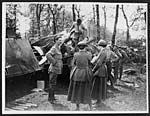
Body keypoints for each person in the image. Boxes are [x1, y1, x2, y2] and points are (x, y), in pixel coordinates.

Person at [67, 41, 93, 110]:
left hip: (77, 73)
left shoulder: (75, 55)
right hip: (85, 73)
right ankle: (90, 106)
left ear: (78, 47)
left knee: (77, 90)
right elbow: (91, 62)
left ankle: (77, 107)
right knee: (87, 89)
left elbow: (73, 64)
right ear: (85, 47)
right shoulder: (89, 54)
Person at [46, 36, 63, 104]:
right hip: (53, 68)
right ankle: (50, 99)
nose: (60, 42)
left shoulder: (58, 47)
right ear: (55, 41)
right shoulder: (54, 48)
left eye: (61, 40)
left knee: (53, 83)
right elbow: (48, 55)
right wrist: (54, 62)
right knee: (52, 83)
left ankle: (52, 97)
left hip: (56, 69)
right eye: (59, 40)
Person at [91, 39, 108, 107]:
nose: (97, 47)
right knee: (99, 85)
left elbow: (99, 63)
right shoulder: (103, 51)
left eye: (98, 46)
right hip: (102, 69)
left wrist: (93, 70)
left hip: (100, 70)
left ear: (100, 46)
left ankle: (99, 102)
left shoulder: (102, 52)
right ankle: (98, 100)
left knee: (99, 85)